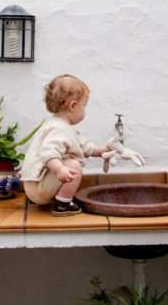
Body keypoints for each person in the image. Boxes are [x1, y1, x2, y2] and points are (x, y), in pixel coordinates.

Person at [19, 74, 113, 216]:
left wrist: (99, 150)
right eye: (84, 106)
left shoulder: (60, 126)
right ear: (73, 106)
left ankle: (56, 198)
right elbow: (48, 153)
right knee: (73, 166)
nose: (85, 110)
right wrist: (59, 170)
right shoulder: (58, 129)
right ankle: (63, 205)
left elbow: (80, 144)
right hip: (39, 186)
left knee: (70, 163)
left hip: (37, 184)